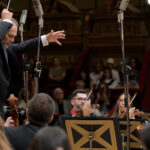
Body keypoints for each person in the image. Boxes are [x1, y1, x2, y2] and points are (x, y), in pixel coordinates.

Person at [0, 9, 65, 109]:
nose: (12, 40)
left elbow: (23, 46)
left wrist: (46, 39)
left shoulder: (6, 47)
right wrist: (5, 22)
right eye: (10, 36)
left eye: (14, 36)